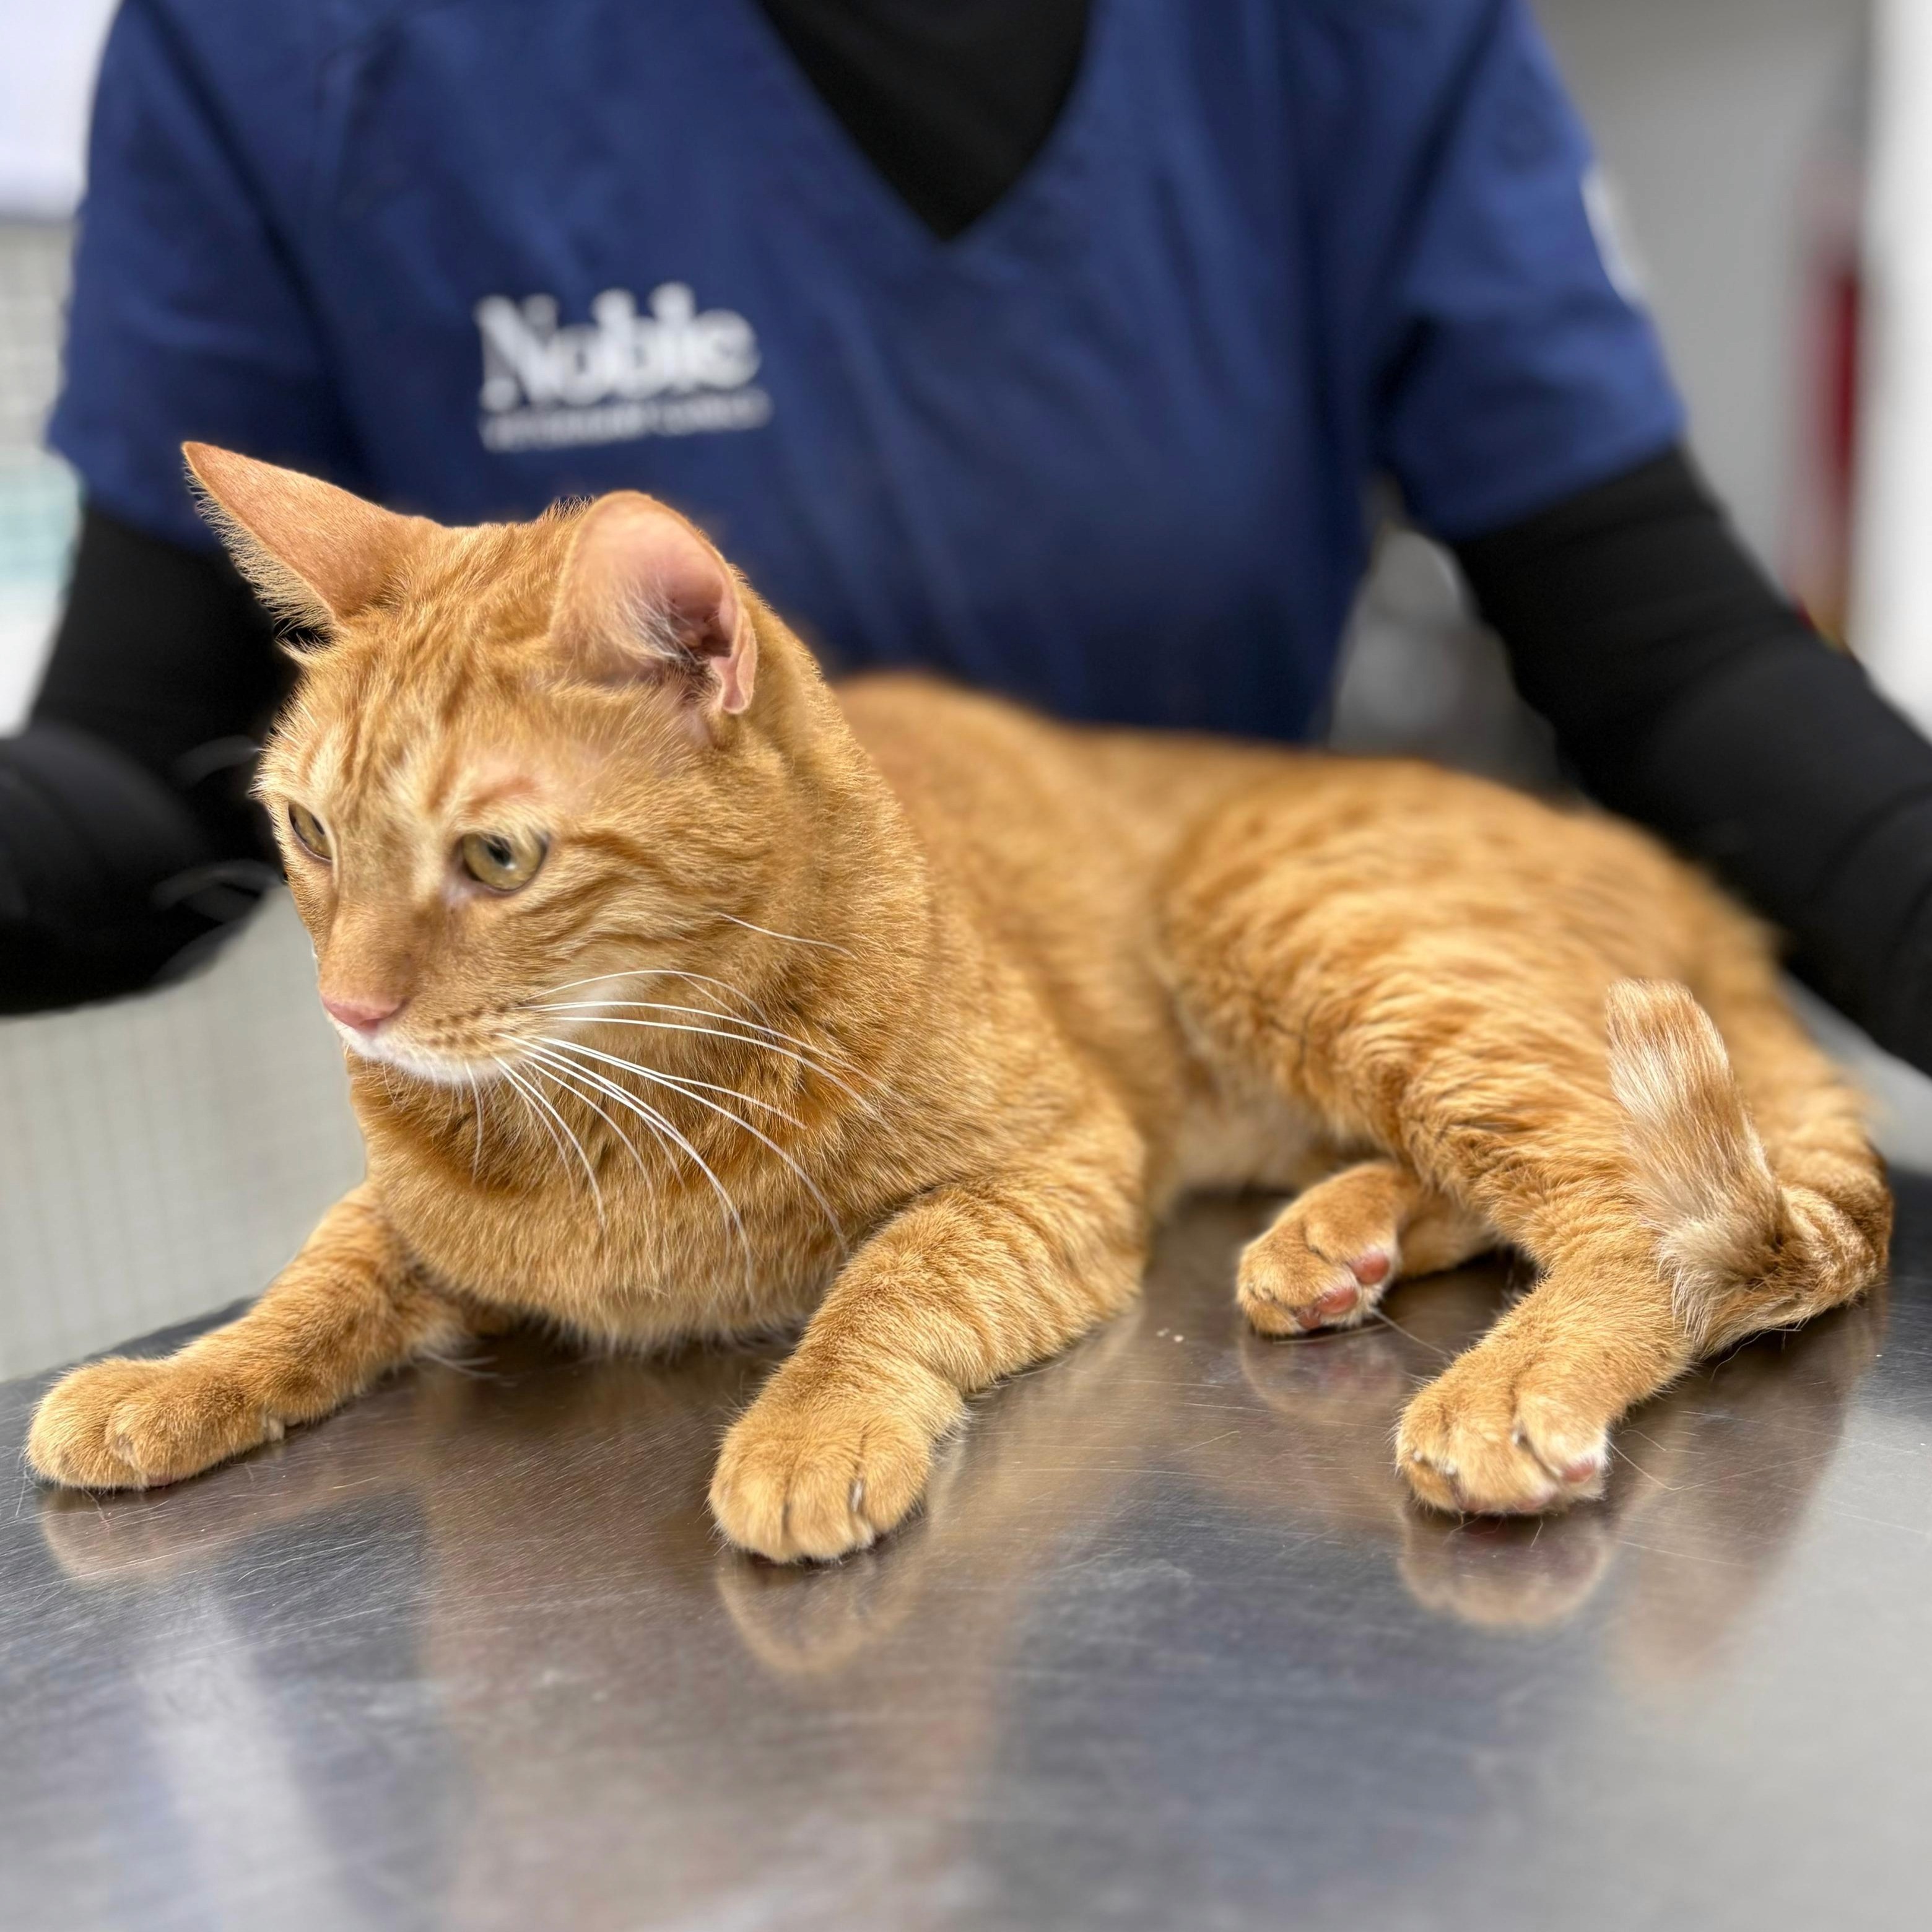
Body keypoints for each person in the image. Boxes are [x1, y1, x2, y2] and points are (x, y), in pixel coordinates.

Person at [9, 0, 1932, 1074]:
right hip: (607, 1246)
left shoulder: (1352, 39)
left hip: (1207, 1188)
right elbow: (140, 780)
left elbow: (1673, 658)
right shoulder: (293, 48)